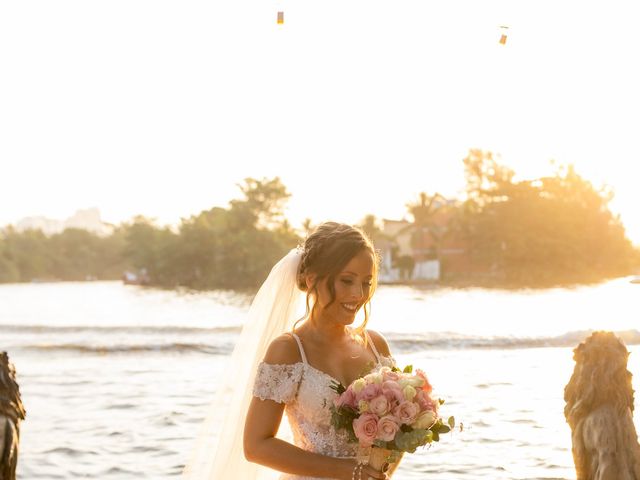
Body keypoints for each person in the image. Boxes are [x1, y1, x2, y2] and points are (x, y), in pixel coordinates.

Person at [182, 222, 402, 480]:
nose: (358, 294)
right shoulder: (288, 351)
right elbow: (256, 446)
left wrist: (379, 473)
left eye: (366, 282)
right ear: (312, 280)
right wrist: (348, 472)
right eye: (346, 280)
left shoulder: (376, 347)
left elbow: (399, 429)